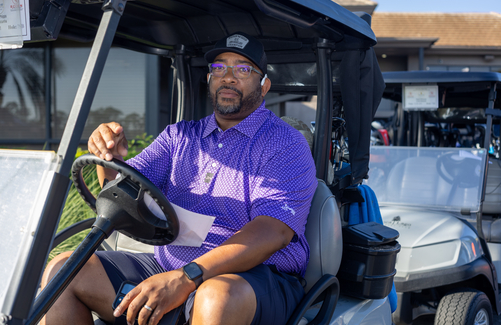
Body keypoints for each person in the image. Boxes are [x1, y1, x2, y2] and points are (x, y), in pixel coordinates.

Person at [41, 32, 317, 325]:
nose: (229, 77)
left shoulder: (285, 143)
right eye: (219, 67)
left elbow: (273, 231)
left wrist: (188, 277)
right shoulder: (179, 136)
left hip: (254, 277)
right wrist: (110, 156)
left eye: (243, 69)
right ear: (210, 78)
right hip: (170, 267)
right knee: (64, 270)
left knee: (216, 298)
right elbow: (122, 190)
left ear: (264, 86)